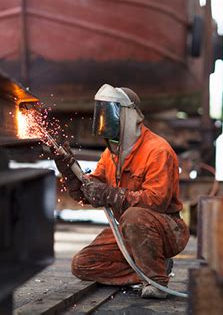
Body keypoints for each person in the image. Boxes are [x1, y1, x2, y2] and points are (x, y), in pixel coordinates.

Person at [52, 84, 190, 299]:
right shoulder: (111, 154)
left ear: (129, 114)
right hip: (130, 231)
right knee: (83, 264)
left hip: (166, 230)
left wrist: (111, 194)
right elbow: (89, 193)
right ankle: (153, 265)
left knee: (134, 216)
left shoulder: (158, 150)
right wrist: (69, 172)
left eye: (110, 114)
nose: (106, 121)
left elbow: (157, 202)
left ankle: (155, 280)